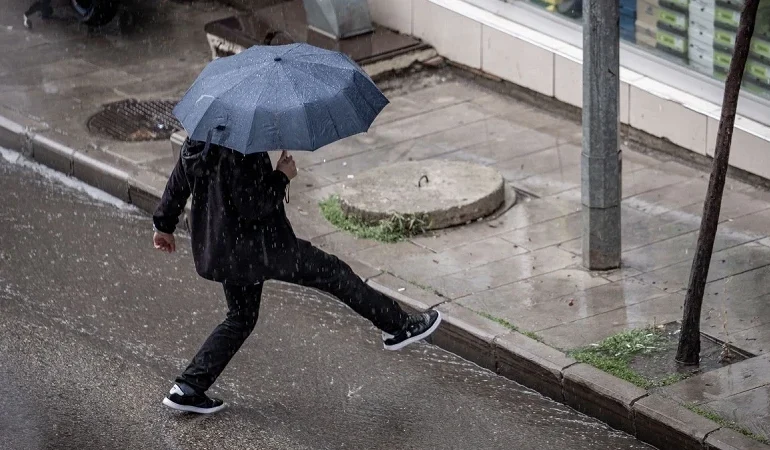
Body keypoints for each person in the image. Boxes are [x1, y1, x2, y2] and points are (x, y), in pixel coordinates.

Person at [152, 139, 442, 414]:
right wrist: (282, 176)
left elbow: (178, 181)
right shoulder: (242, 148)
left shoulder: (200, 136)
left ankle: (188, 387)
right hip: (261, 248)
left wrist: (163, 225)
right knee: (332, 272)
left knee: (240, 318)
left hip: (224, 247)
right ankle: (398, 325)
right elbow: (253, 204)